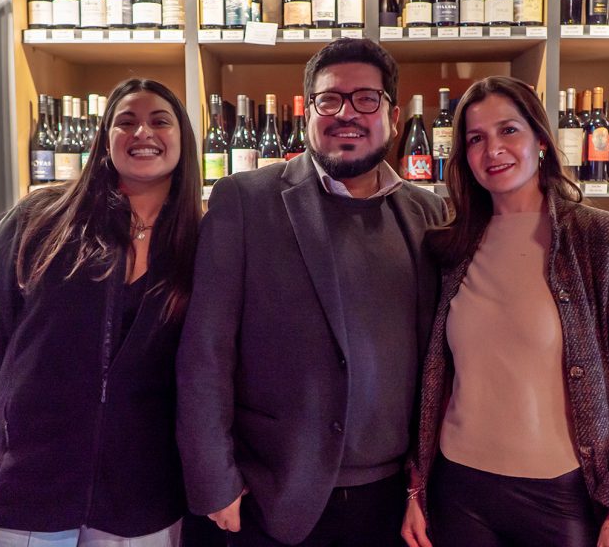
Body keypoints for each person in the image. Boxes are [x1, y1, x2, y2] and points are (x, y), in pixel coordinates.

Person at [176, 38, 447, 547]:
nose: (347, 113)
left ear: (392, 115)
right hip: (271, 496)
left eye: (366, 99)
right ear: (308, 113)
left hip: (392, 502)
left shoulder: (426, 213)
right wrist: (214, 480)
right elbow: (205, 353)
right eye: (330, 99)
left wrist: (421, 481)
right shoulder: (245, 201)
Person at [401, 76, 609, 547]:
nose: (493, 150)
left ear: (540, 139)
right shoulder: (450, 246)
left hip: (562, 498)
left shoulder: (603, 239)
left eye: (508, 130)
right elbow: (434, 380)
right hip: (459, 491)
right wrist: (417, 487)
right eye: (476, 139)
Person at [0, 78, 201, 547]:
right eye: (126, 122)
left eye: (160, 121)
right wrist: (36, 407)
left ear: (182, 139)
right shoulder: (40, 218)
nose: (143, 133)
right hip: (24, 489)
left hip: (142, 497)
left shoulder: (201, 244)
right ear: (105, 139)